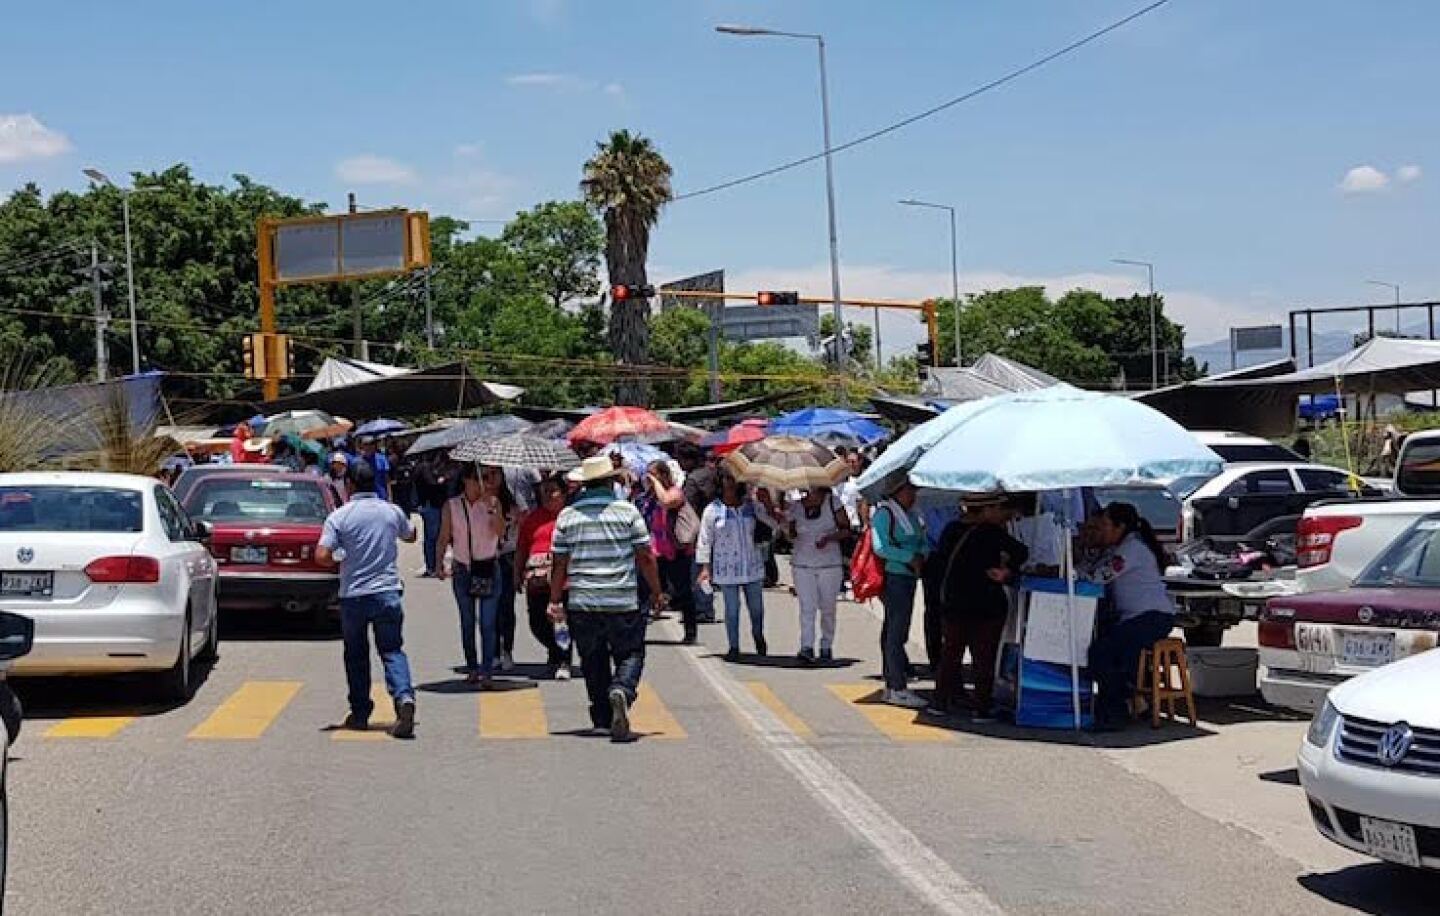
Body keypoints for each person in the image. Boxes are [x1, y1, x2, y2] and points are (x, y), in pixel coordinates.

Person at [547, 455, 668, 742]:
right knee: (631, 653)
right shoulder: (627, 512)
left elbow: (559, 562)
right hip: (622, 599)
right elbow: (645, 557)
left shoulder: (567, 516)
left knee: (593, 660)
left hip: (583, 601)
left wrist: (555, 599)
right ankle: (622, 690)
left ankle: (602, 717)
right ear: (612, 480)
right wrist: (656, 591)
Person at [315, 459, 418, 739]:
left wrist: (341, 556)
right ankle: (403, 698)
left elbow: (322, 556)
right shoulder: (390, 512)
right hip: (387, 591)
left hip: (354, 595)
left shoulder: (340, 516)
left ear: (349, 484)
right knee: (392, 650)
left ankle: (360, 713)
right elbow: (411, 535)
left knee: (356, 656)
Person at [928, 494, 1028, 722]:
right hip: (986, 605)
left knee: (951, 654)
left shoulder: (951, 530)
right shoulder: (992, 533)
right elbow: (1022, 553)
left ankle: (941, 700)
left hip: (954, 603)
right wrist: (1007, 572)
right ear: (987, 509)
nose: (1003, 512)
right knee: (984, 658)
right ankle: (981, 707)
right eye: (999, 508)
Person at [1083, 501, 1177, 731]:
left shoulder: (1131, 549)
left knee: (1101, 653)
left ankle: (1116, 712)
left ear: (1119, 526)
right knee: (1108, 647)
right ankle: (1135, 700)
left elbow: (1101, 576)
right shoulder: (1121, 547)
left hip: (1151, 617)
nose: (1101, 530)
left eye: (1104, 525)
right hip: (1137, 618)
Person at [437, 464, 506, 687]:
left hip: (488, 567)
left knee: (488, 623)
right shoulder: (452, 506)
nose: (484, 483)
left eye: (487, 478)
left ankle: (487, 671)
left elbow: (500, 532)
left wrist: (492, 509)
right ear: (466, 481)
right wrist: (438, 563)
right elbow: (444, 537)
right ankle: (472, 667)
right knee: (467, 622)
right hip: (463, 569)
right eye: (479, 478)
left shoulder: (493, 503)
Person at [696, 468, 774, 662]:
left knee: (756, 608)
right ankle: (734, 646)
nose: (730, 483)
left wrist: (767, 504)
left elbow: (774, 525)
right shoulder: (712, 510)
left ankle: (758, 634)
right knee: (731, 609)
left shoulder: (751, 506)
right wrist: (705, 568)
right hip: (727, 567)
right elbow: (705, 540)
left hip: (752, 564)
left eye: (733, 479)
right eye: (726, 479)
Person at [871, 481, 928, 708]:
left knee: (894, 630)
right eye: (909, 491)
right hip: (895, 577)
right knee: (896, 632)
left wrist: (921, 555)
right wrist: (908, 557)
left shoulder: (912, 515)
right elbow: (881, 547)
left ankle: (892, 683)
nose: (913, 496)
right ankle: (896, 685)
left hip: (909, 577)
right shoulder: (885, 514)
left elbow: (921, 540)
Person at [516, 475, 572, 679]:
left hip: (564, 579)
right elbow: (522, 548)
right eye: (545, 491)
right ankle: (555, 650)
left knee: (560, 621)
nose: (548, 495)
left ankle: (563, 659)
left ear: (564, 494)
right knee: (537, 623)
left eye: (553, 491)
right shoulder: (533, 518)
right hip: (536, 579)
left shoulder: (570, 517)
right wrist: (517, 574)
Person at [788, 487, 850, 664]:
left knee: (828, 608)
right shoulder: (796, 506)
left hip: (829, 564)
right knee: (807, 607)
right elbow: (790, 534)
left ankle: (826, 645)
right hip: (802, 564)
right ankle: (806, 646)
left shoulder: (833, 502)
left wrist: (829, 538)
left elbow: (846, 529)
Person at [639, 461, 695, 638]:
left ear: (663, 475)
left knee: (683, 591)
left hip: (675, 550)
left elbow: (666, 501)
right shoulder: (647, 497)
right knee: (644, 590)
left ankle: (690, 630)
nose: (648, 478)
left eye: (653, 474)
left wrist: (656, 483)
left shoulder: (675, 493)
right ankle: (638, 632)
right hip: (654, 551)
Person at [677, 442, 718, 623]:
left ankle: (703, 608)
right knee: (707, 568)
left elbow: (688, 508)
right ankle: (705, 606)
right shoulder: (713, 474)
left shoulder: (693, 480)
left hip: (699, 528)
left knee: (698, 569)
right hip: (717, 525)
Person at [489, 465, 520, 673]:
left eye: (495, 474)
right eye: (487, 475)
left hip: (507, 558)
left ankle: (507, 649)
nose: (491, 479)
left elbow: (517, 532)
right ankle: (492, 652)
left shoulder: (511, 503)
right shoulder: (482, 503)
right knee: (490, 609)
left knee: (507, 608)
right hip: (487, 558)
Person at [414, 454, 450, 578]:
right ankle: (432, 566)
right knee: (433, 538)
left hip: (433, 506)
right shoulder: (424, 468)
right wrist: (442, 479)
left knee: (434, 537)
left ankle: (435, 565)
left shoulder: (427, 468)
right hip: (431, 506)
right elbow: (431, 484)